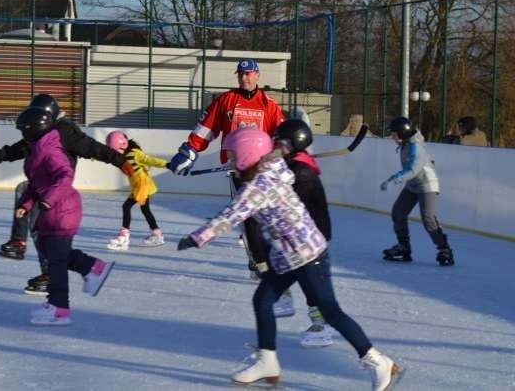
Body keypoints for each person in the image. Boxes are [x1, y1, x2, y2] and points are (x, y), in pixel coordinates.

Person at [177, 127, 401, 390]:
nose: (230, 160)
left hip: (306, 254)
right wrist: (279, 146)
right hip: (287, 256)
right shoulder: (271, 167)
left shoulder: (258, 187)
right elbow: (273, 156)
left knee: (330, 310)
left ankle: (376, 361)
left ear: (247, 156)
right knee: (262, 300)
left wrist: (197, 237)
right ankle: (267, 361)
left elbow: (232, 214)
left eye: (234, 154)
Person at [168, 58, 292, 314]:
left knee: (263, 217)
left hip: (261, 169)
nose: (245, 78)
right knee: (248, 217)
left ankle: (264, 258)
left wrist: (287, 150)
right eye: (241, 74)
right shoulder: (225, 101)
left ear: (257, 75)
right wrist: (189, 150)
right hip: (236, 169)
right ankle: (258, 262)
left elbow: (281, 135)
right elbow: (207, 129)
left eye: (249, 74)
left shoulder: (269, 105)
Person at [0, 94, 127, 295]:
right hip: (43, 186)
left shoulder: (66, 132)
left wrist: (121, 162)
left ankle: (62, 274)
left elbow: (93, 148)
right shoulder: (39, 133)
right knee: (27, 199)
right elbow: (19, 149)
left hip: (56, 191)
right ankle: (22, 244)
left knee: (45, 236)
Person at [14, 106, 114, 325]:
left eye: (24, 130)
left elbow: (65, 175)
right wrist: (27, 203)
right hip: (53, 211)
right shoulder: (39, 148)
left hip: (61, 211)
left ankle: (59, 308)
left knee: (56, 261)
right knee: (52, 254)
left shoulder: (49, 151)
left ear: (34, 129)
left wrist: (48, 199)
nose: (22, 135)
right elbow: (36, 183)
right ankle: (93, 267)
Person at [272, 119, 335, 348]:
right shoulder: (297, 165)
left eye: (279, 142)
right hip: (301, 236)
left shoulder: (301, 171)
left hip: (311, 238)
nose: (275, 146)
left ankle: (322, 325)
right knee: (282, 268)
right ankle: (285, 299)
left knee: (313, 284)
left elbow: (285, 199)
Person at [381, 117, 454, 266]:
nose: (392, 138)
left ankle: (444, 249)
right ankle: (404, 247)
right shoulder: (405, 144)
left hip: (427, 184)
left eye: (394, 134)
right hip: (413, 184)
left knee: (428, 218)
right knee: (398, 212)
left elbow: (413, 169)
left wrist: (393, 179)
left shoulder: (416, 146)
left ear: (403, 133)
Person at [105, 130, 169, 251]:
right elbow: (106, 155)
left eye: (115, 149)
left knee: (126, 207)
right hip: (138, 186)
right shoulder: (121, 156)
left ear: (123, 145)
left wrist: (167, 164)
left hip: (142, 186)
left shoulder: (134, 154)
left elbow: (150, 160)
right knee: (145, 210)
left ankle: (124, 236)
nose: (114, 152)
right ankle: (157, 234)